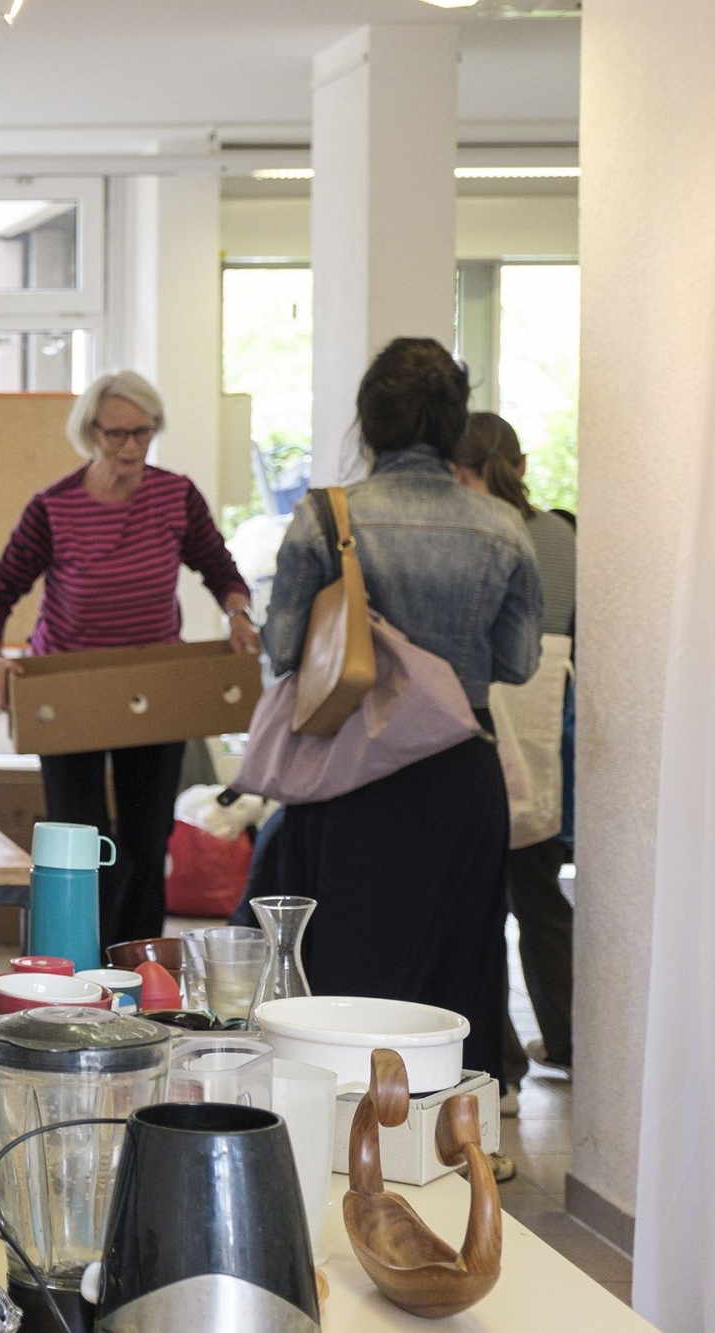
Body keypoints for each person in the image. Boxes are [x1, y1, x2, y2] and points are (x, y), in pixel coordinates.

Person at [261, 338, 542, 1094]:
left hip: (352, 772)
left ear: (370, 422)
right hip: (459, 773)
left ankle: (344, 1148)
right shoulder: (503, 526)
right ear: (454, 424)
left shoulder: (327, 517)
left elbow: (285, 647)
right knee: (461, 964)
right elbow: (517, 663)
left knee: (348, 970)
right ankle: (458, 1152)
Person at [0, 370, 258, 948]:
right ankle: (80, 960)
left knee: (146, 837)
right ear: (90, 433)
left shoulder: (175, 496)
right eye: (116, 435)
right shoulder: (54, 507)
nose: (129, 448)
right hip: (71, 687)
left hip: (152, 685)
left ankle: (136, 959)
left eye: (142, 434)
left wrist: (238, 613)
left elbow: (221, 570)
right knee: (80, 837)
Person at [454, 410, 576, 1083]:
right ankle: (567, 1037)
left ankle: (497, 1065)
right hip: (546, 749)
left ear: (457, 471)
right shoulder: (563, 533)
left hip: (479, 740)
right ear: (522, 465)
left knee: (478, 908)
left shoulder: (478, 538)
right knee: (541, 898)